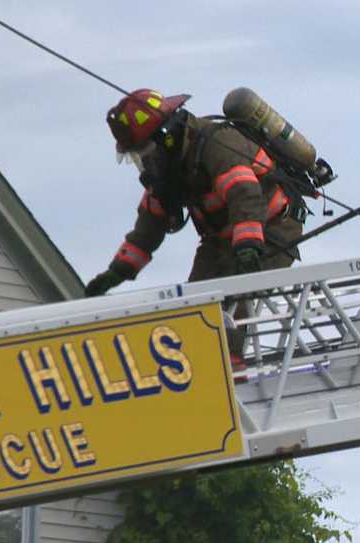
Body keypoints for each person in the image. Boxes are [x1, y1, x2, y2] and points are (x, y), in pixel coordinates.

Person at [84, 89, 312, 363]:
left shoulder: (217, 144)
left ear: (166, 136)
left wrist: (249, 245)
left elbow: (245, 195)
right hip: (222, 239)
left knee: (231, 302)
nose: (144, 162)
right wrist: (116, 272)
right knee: (192, 308)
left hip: (272, 228)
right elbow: (148, 228)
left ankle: (230, 368)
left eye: (144, 153)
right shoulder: (168, 173)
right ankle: (201, 366)